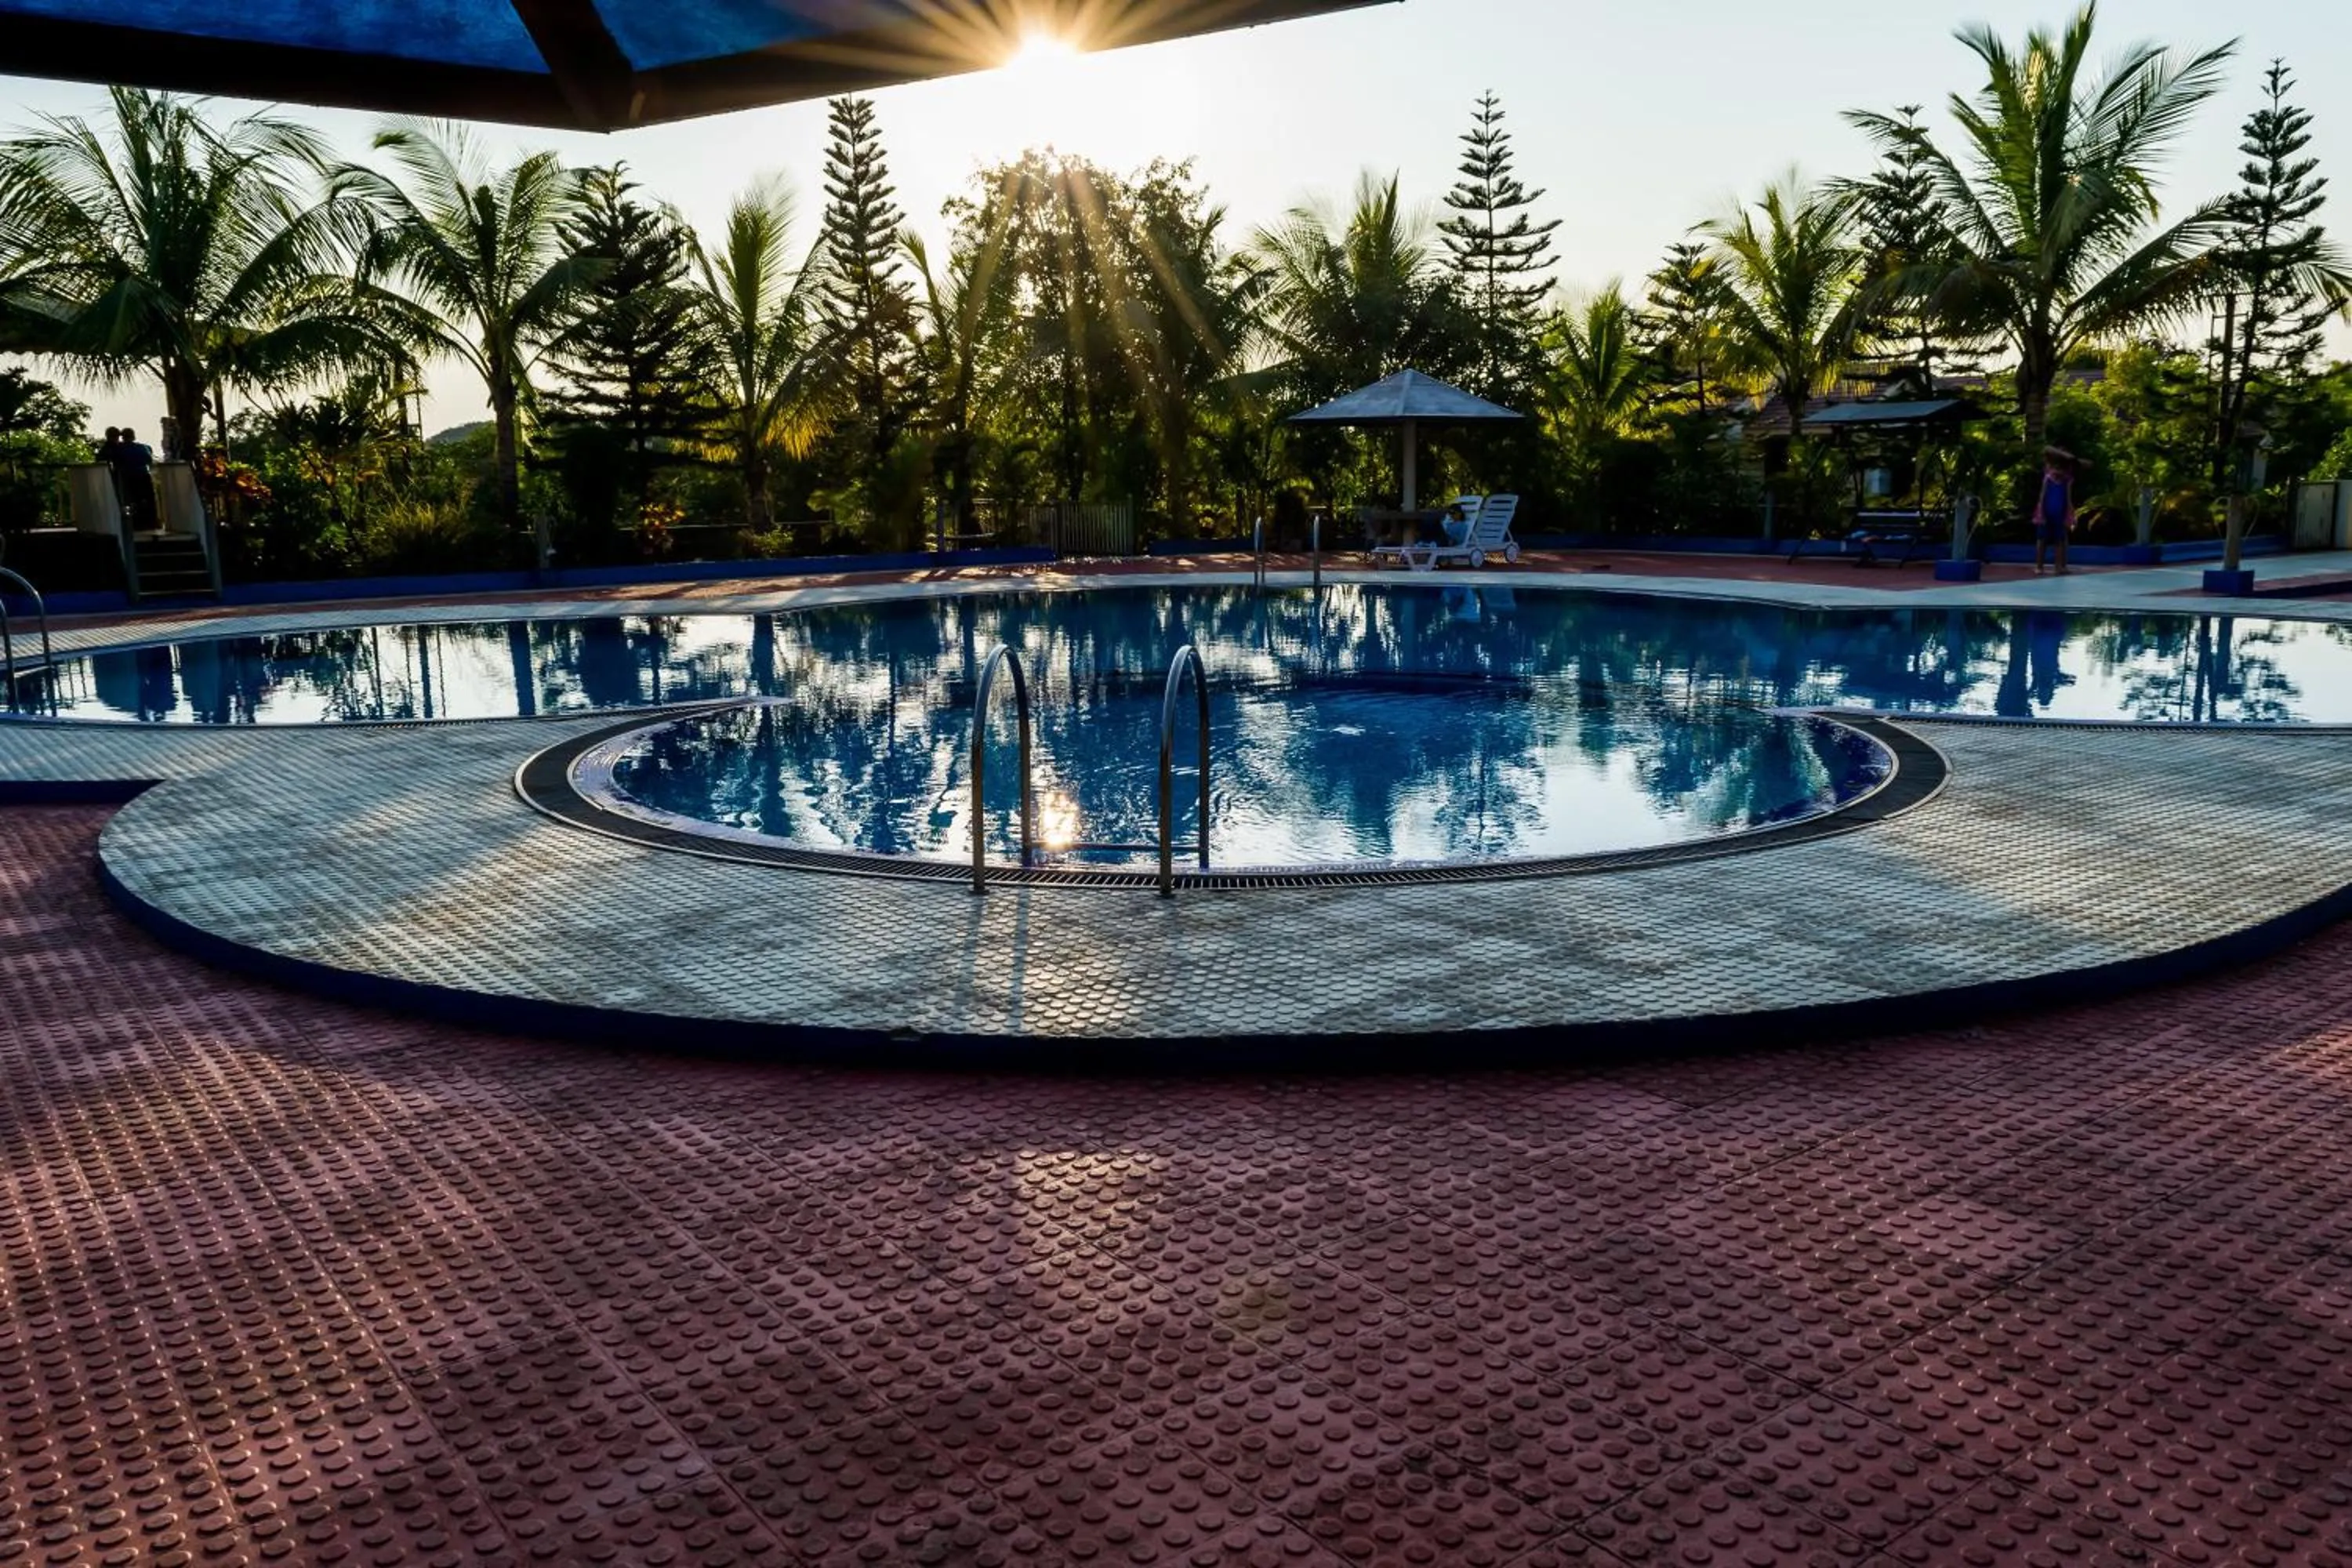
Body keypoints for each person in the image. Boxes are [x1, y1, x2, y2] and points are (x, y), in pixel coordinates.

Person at [2033, 448, 2077, 576]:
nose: (2058, 471)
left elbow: (2068, 498)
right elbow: (2042, 495)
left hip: (2060, 514)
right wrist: (2040, 511)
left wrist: (2070, 512)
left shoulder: (2067, 480)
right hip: (2046, 513)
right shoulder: (2048, 477)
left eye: (2060, 467)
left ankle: (2059, 567)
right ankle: (2039, 566)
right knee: (2042, 540)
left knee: (2060, 540)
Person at [111, 424, 157, 532]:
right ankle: (151, 522)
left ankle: (135, 523)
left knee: (131, 500)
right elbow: (149, 460)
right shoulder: (143, 448)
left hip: (128, 477)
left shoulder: (120, 449)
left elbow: (117, 462)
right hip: (144, 476)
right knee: (147, 500)